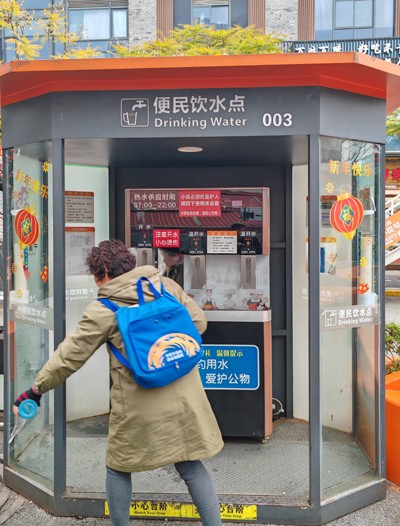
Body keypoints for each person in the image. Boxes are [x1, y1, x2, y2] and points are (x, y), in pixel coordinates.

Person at [13, 239, 223, 526]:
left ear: (103, 272)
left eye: (96, 276)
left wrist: (35, 390)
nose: (96, 283)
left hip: (139, 405)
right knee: (190, 465)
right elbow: (199, 323)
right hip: (185, 397)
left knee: (118, 468)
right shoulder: (165, 287)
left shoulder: (105, 309)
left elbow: (69, 357)